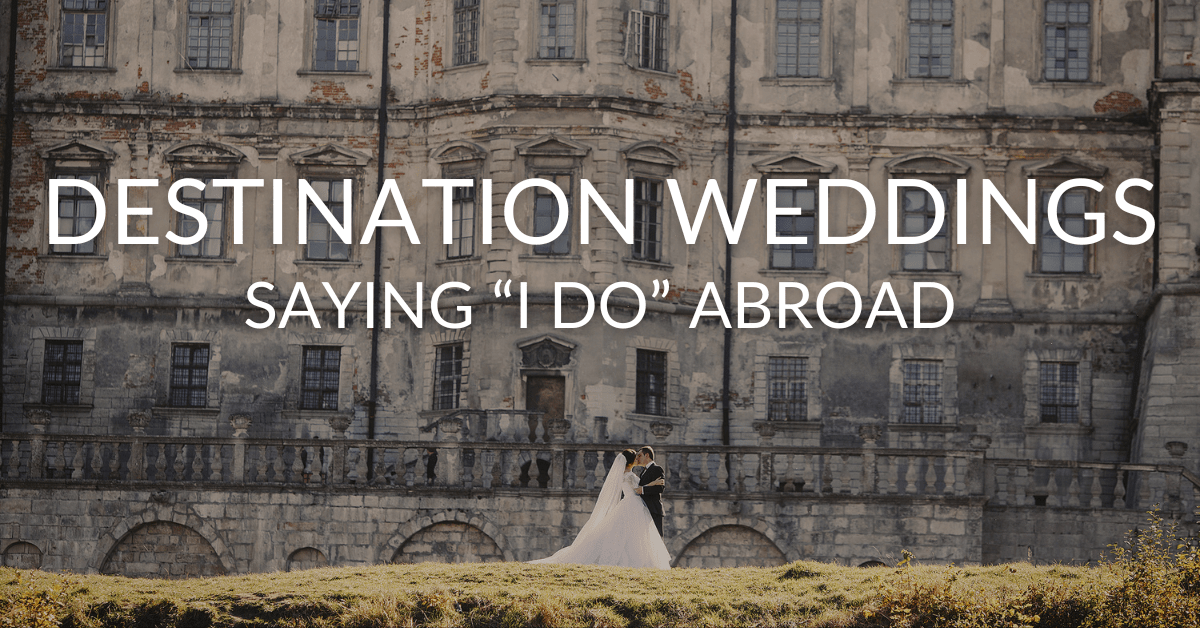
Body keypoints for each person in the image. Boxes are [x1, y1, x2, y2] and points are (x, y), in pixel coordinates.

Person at [530, 448, 671, 569]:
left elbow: (639, 488)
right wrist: (654, 483)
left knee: (629, 534)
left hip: (632, 503)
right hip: (633, 503)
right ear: (631, 461)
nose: (638, 459)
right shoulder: (628, 476)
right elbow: (637, 490)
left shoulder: (628, 474)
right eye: (636, 457)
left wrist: (653, 483)